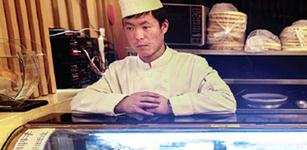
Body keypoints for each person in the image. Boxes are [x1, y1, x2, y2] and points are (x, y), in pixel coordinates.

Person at [71, 0, 236, 116]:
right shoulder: (118, 69)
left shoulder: (192, 64)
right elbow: (79, 102)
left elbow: (226, 101)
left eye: (146, 26)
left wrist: (172, 106)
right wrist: (122, 103)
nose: (138, 36)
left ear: (163, 27)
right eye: (130, 28)